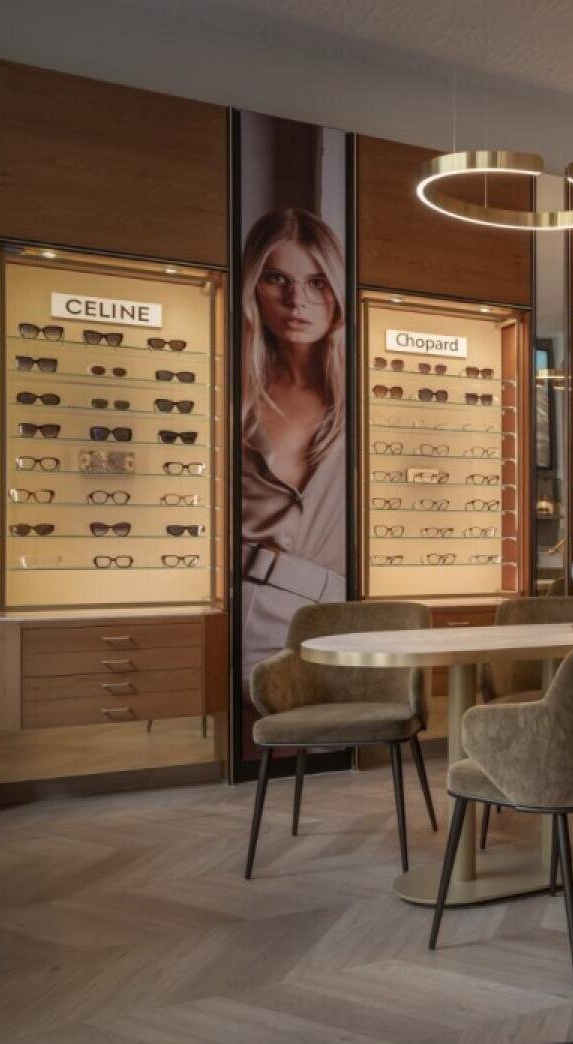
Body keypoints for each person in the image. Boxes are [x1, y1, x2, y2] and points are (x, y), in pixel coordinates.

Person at [238, 207, 349, 690]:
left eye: (317, 283)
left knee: (331, 738)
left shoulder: (363, 401)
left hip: (343, 609)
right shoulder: (234, 396)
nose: (295, 300)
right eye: (276, 278)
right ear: (252, 289)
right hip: (248, 605)